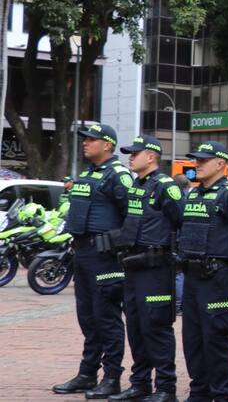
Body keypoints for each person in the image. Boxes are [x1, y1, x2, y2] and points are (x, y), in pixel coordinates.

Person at [54, 123, 134, 399]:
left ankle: (112, 377)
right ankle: (88, 374)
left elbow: (134, 217)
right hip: (83, 254)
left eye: (92, 139)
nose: (86, 143)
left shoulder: (119, 176)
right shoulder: (89, 174)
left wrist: (117, 245)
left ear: (108, 145)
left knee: (107, 318)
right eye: (85, 139)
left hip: (105, 257)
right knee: (88, 318)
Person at [112, 135, 184, 402]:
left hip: (155, 268)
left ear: (151, 156)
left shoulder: (167, 186)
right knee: (135, 326)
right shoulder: (135, 185)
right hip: (133, 266)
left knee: (156, 326)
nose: (130, 157)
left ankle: (166, 388)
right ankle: (139, 384)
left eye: (135, 153)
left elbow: (182, 222)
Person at [176, 141, 228, 402]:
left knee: (216, 338)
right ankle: (200, 392)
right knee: (192, 339)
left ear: (221, 164)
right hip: (193, 277)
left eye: (204, 160)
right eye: (197, 159)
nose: (198, 164)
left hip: (217, 276)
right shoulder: (194, 194)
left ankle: (223, 394)